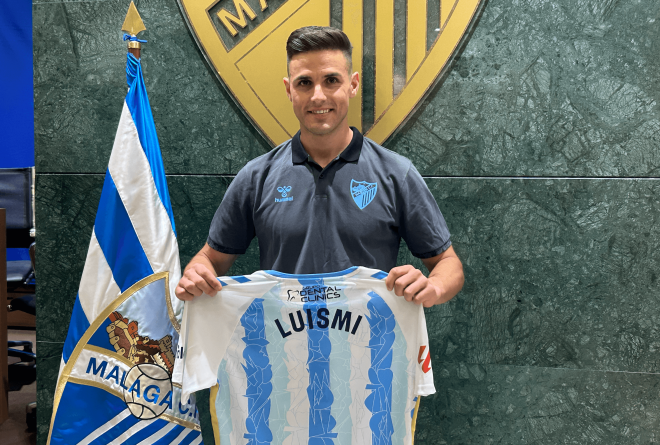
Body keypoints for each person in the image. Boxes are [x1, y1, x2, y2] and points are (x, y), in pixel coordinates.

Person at [175, 26, 464, 307]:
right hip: (282, 350)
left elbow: (447, 263)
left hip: (369, 351)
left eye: (331, 80)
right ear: (289, 90)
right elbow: (210, 259)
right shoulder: (256, 177)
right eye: (304, 83)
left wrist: (434, 286)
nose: (317, 96)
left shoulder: (396, 174)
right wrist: (197, 273)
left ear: (352, 84)